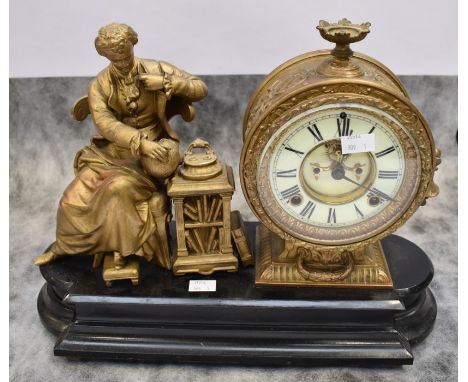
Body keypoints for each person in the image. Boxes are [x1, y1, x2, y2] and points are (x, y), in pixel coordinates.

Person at [34, 23, 208, 270]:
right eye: (116, 59)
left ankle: (122, 250)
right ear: (105, 56)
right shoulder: (99, 85)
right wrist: (139, 143)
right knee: (71, 199)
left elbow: (200, 88)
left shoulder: (157, 68)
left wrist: (167, 83)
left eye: (125, 56)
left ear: (133, 46)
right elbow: (105, 124)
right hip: (112, 154)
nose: (123, 63)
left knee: (118, 188)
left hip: (153, 158)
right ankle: (63, 247)